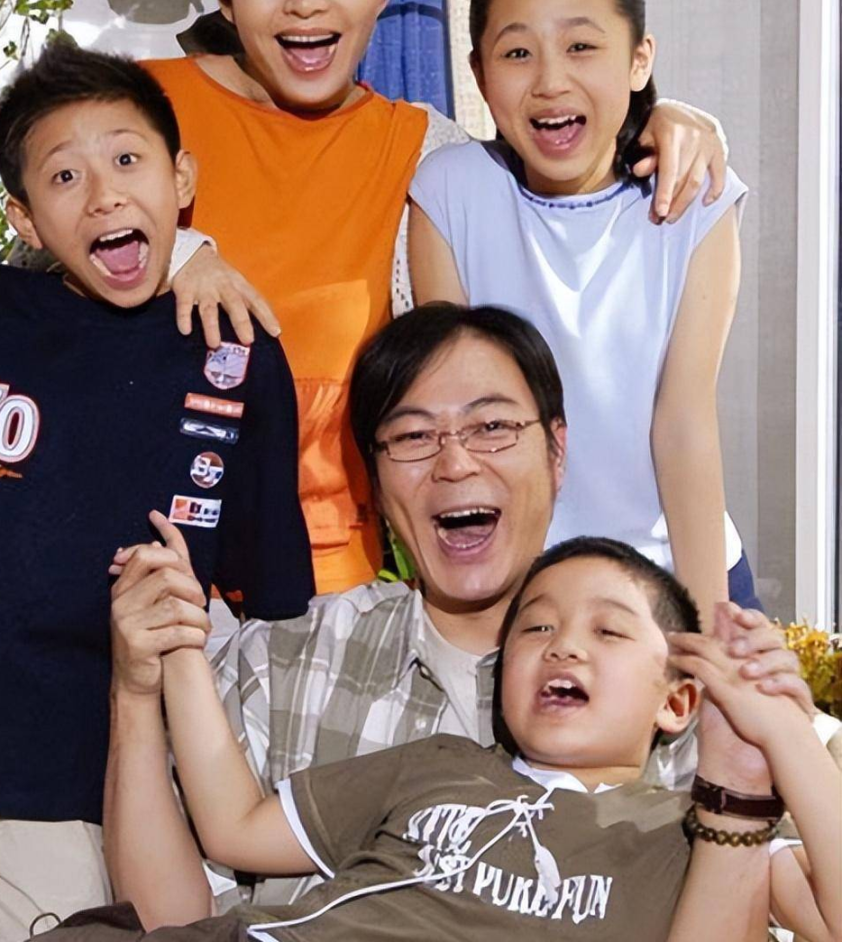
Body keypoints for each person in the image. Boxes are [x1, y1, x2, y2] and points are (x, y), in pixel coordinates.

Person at [0, 41, 313, 942]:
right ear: (26, 218)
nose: (104, 194)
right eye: (65, 176)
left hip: (80, 776)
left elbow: (266, 595)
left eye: (127, 159)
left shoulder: (235, 354)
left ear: (182, 180)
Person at [100, 305, 818, 926]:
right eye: (413, 437)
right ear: (372, 477)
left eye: (492, 427)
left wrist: (782, 737)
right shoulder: (283, 662)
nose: (454, 465)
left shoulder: (675, 692)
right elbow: (172, 919)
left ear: (557, 450)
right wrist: (137, 690)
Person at [158, 0, 733, 595]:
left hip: (329, 580)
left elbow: (550, 144)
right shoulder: (143, 111)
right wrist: (180, 253)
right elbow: (58, 215)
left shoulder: (424, 151)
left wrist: (670, 119)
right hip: (148, 559)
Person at [43, 536, 840, 942]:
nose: (564, 646)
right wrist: (180, 644)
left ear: (678, 701)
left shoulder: (694, 836)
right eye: (536, 628)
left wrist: (785, 734)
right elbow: (231, 827)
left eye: (608, 631)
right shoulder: (442, 765)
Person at [409, 0, 750, 620]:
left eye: (581, 47)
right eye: (517, 53)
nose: (550, 81)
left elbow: (683, 422)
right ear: (479, 73)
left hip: (677, 575)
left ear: (639, 59)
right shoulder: (450, 192)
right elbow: (460, 426)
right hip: (522, 596)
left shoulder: (694, 198)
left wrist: (706, 633)